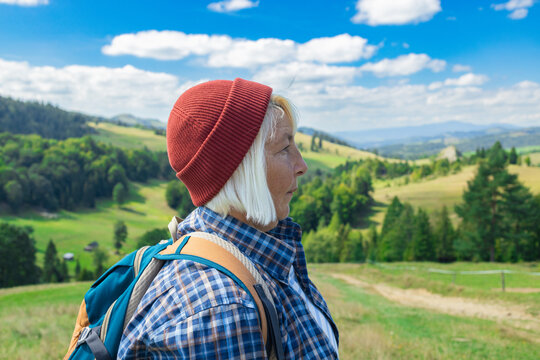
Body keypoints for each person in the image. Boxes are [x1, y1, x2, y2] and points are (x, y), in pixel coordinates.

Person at [118, 78, 339, 359]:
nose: (302, 166)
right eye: (284, 148)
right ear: (243, 170)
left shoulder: (266, 255)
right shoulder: (220, 310)